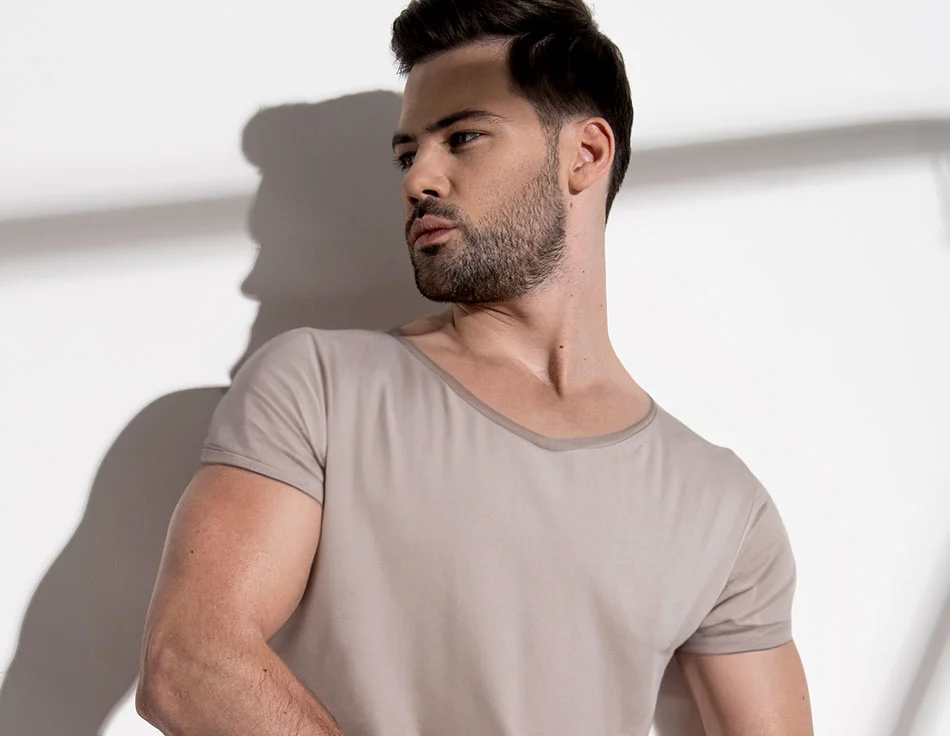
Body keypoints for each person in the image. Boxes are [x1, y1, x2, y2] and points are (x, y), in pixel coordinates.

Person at [136, 0, 814, 734]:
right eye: (407, 153)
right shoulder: (320, 387)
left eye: (462, 137)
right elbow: (191, 660)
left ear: (584, 154)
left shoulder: (720, 506)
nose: (418, 178)